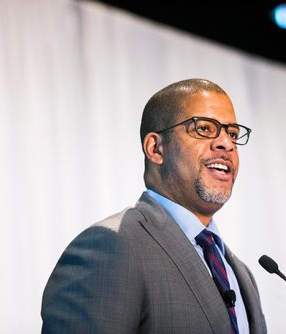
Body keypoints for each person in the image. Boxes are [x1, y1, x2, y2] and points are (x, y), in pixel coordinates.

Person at [41, 78, 267, 333]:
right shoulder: (110, 246)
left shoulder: (240, 272)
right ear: (156, 148)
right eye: (204, 128)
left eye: (233, 133)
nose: (226, 143)